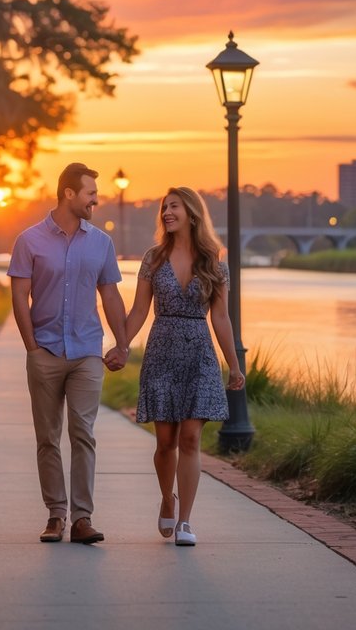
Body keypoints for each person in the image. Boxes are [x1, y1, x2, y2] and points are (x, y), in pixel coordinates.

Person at [8, 162, 131, 545]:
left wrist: (122, 343)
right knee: (47, 437)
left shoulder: (101, 243)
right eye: (91, 192)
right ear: (68, 194)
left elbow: (110, 294)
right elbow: (19, 297)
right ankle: (55, 515)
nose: (97, 199)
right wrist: (32, 348)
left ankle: (82, 519)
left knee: (83, 434)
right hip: (44, 350)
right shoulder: (29, 240)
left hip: (86, 354)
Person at [119, 186, 245, 547]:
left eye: (173, 206)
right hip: (161, 351)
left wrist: (233, 366)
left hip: (200, 355)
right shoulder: (153, 258)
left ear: (191, 212)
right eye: (164, 208)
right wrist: (122, 346)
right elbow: (140, 310)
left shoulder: (214, 263)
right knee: (165, 443)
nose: (167, 213)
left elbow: (221, 318)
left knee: (190, 439)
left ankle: (185, 521)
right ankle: (166, 497)